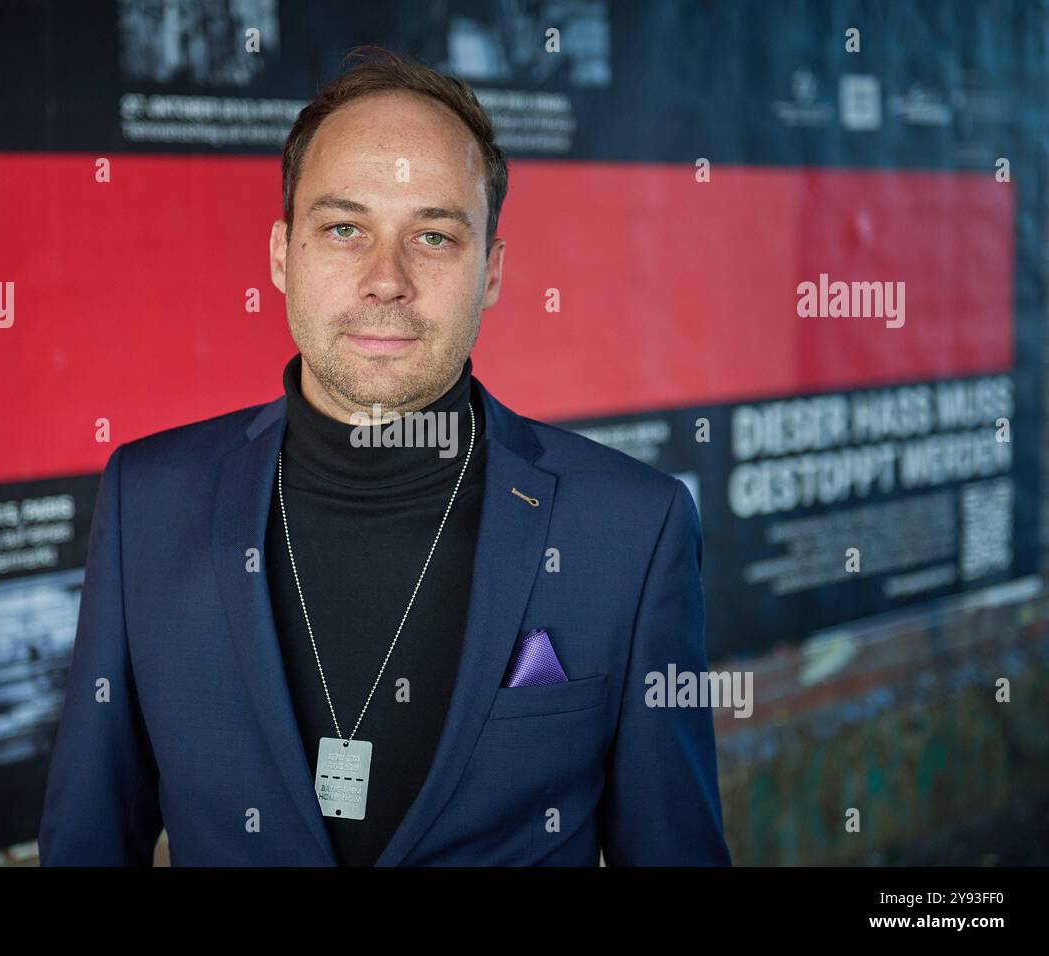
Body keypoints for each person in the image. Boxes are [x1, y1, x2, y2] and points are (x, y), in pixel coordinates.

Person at [39, 46, 731, 866]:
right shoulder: (147, 501)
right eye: (343, 229)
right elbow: (88, 842)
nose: (386, 279)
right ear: (280, 256)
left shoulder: (631, 527)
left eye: (433, 236)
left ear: (493, 272)